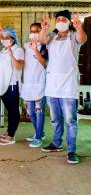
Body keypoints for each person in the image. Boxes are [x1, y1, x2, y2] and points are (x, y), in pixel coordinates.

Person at [39, 11, 87, 164]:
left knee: (70, 120)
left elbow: (82, 38)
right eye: (58, 19)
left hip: (68, 85)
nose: (60, 21)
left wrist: (79, 26)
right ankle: (57, 143)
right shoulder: (52, 37)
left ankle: (72, 150)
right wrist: (44, 28)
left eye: (63, 19)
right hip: (52, 85)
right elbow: (42, 40)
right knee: (55, 118)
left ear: (68, 22)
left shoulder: (73, 36)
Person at [0, 27, 24, 145]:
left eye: (7, 37)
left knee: (13, 111)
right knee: (10, 110)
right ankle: (8, 132)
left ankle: (11, 135)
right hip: (3, 85)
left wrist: (12, 55)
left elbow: (19, 67)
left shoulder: (18, 50)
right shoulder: (3, 50)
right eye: (3, 37)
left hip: (12, 85)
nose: (5, 39)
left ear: (13, 38)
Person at [21, 23, 48, 148]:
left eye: (37, 30)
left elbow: (43, 63)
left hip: (39, 83)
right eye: (32, 30)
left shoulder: (45, 46)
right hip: (28, 83)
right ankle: (39, 132)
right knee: (30, 112)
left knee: (39, 112)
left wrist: (35, 49)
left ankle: (38, 137)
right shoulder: (26, 46)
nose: (34, 33)